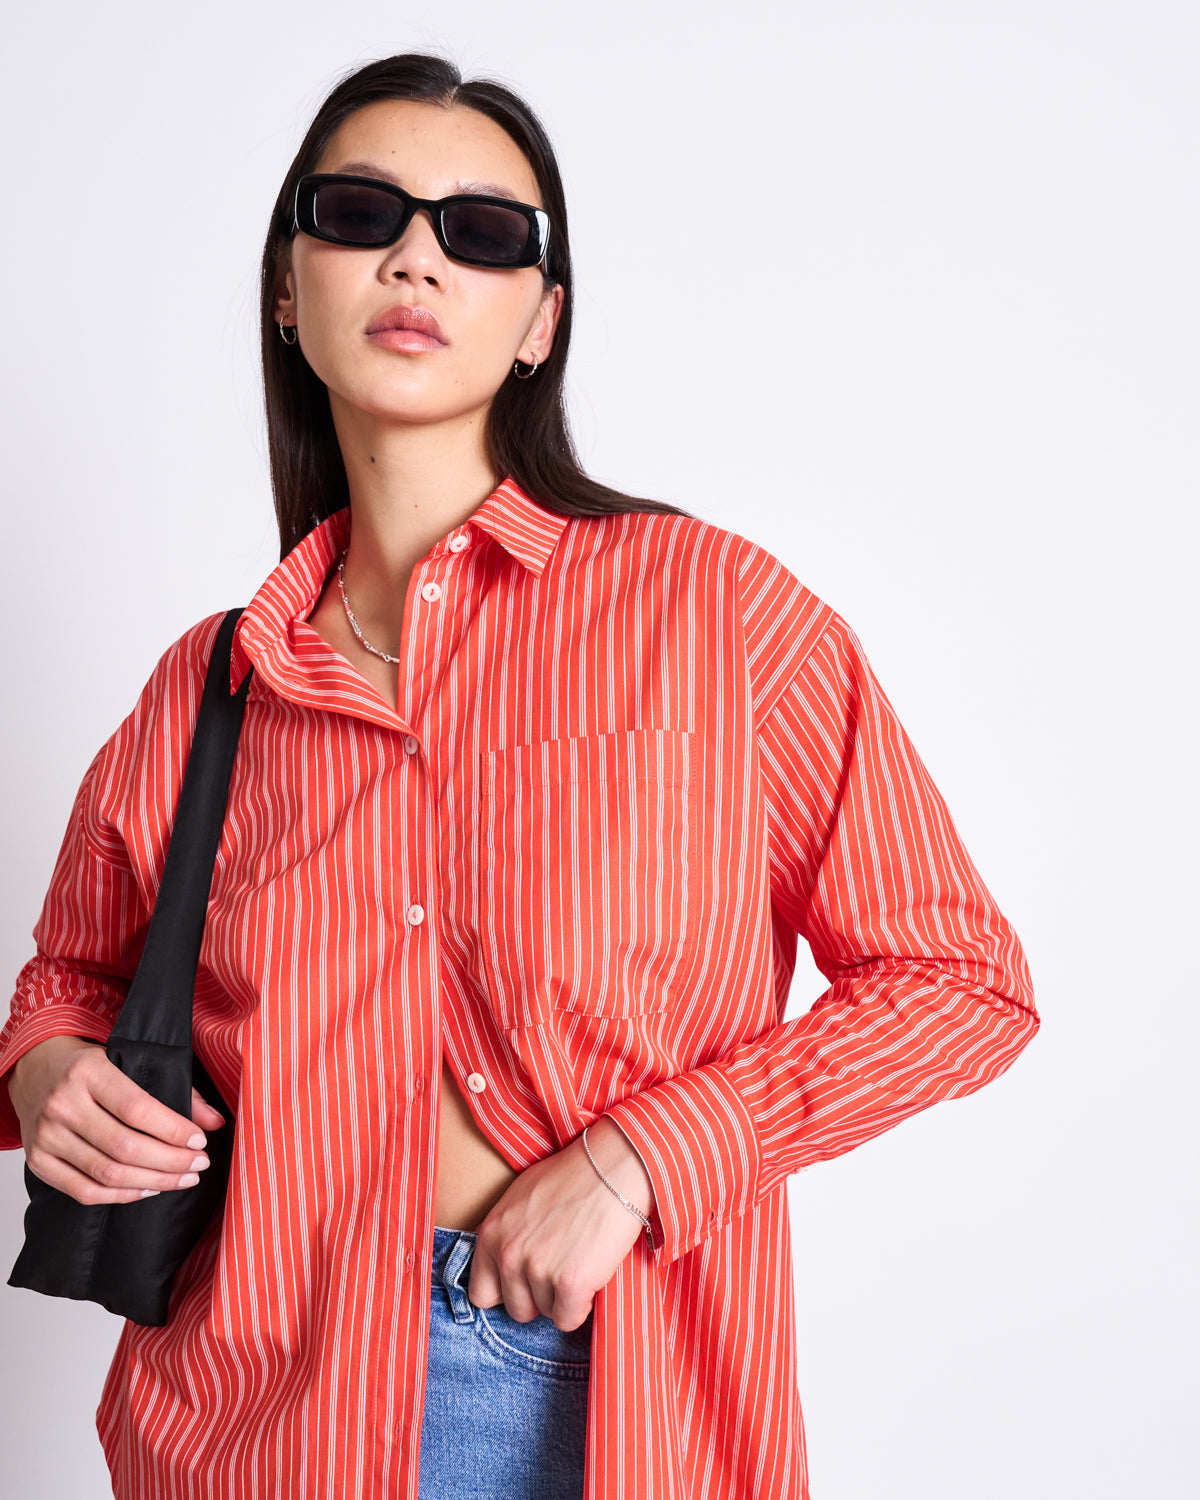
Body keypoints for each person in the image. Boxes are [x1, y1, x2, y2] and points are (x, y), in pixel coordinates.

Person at [0, 51, 1040, 1500]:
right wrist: (48, 1069)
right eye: (361, 211)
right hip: (248, 1415)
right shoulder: (209, 684)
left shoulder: (715, 616)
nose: (417, 253)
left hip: (585, 1397)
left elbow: (958, 979)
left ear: (541, 321)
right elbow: (69, 978)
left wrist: (641, 1161)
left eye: (482, 232)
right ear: (286, 293)